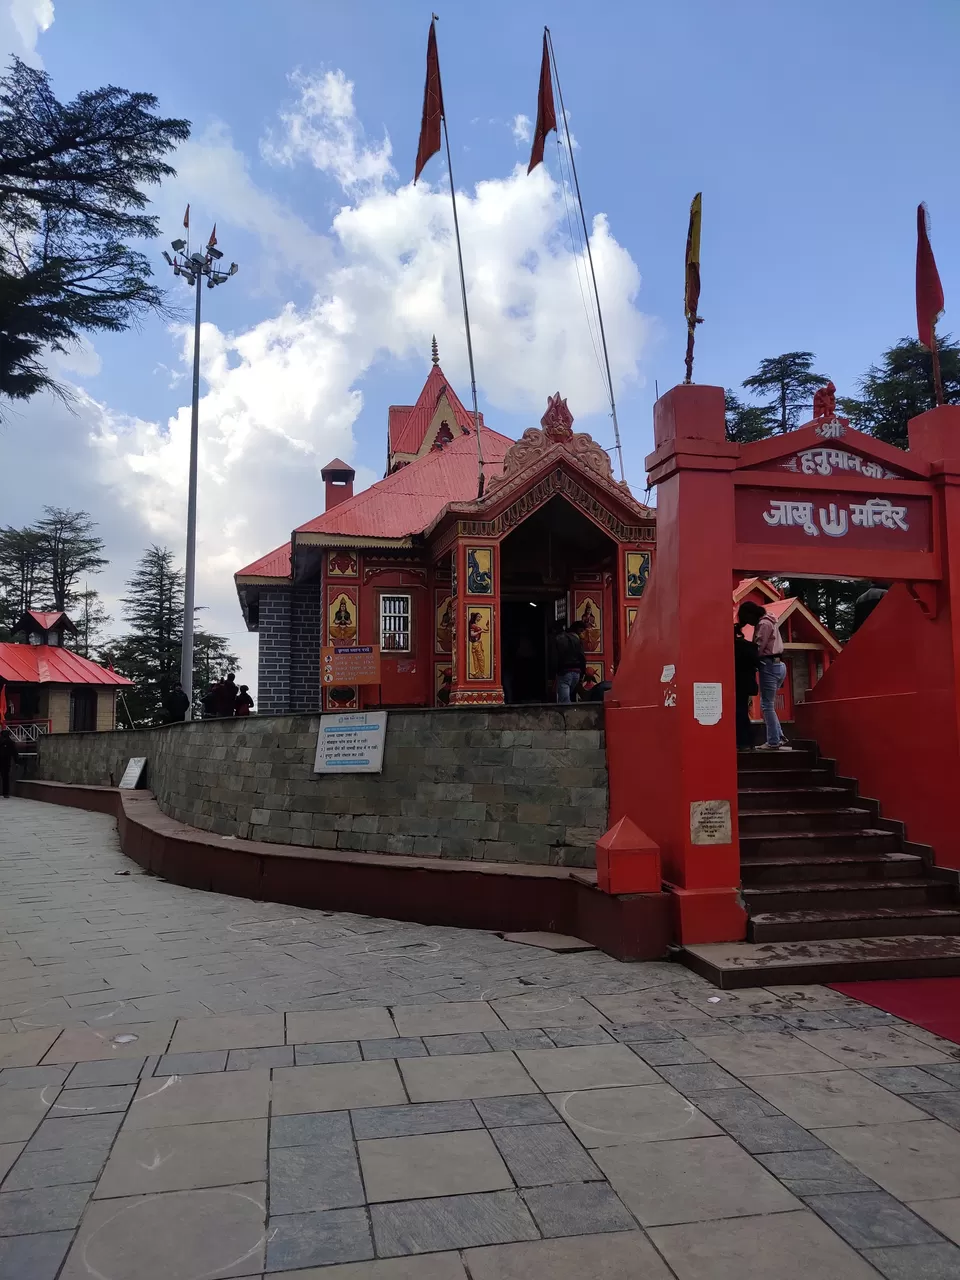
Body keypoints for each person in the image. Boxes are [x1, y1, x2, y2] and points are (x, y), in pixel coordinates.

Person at [740, 600, 788, 750]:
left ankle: (773, 741)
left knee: (766, 704)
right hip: (779, 665)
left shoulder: (763, 624)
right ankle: (778, 736)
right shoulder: (771, 620)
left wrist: (749, 659)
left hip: (768, 664)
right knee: (769, 704)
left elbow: (759, 646)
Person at [734, 608, 762, 749]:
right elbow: (757, 663)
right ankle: (746, 742)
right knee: (743, 711)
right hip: (746, 683)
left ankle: (742, 741)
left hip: (734, 683)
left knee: (738, 711)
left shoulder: (731, 647)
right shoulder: (750, 647)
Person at [552, 620, 587, 704]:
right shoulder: (577, 640)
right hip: (576, 673)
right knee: (569, 697)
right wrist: (582, 675)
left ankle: (567, 716)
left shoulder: (559, 639)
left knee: (565, 702)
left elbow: (555, 657)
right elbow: (582, 658)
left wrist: (554, 672)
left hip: (565, 672)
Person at [0, 729, 19, 799]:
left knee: (5, 777)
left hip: (4, 761)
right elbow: (15, 753)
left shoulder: (7, 742)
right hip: (6, 762)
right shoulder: (11, 742)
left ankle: (6, 793)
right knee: (5, 778)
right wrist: (17, 762)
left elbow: (14, 753)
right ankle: (6, 793)